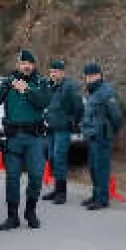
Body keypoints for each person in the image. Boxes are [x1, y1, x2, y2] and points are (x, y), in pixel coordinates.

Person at [0, 49, 52, 230]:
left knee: (36, 176)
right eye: (23, 63)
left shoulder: (41, 83)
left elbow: (44, 101)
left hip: (34, 138)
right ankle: (12, 216)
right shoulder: (8, 84)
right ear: (18, 65)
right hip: (13, 138)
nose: (26, 66)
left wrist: (26, 90)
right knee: (12, 178)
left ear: (34, 65)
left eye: (29, 63)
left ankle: (30, 212)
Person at [79, 63, 123, 211]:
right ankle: (95, 195)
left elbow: (116, 116)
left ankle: (102, 199)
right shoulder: (93, 92)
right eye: (87, 76)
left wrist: (110, 132)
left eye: (92, 76)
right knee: (93, 168)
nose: (89, 79)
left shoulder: (107, 92)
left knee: (101, 169)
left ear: (99, 75)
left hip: (102, 137)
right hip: (92, 136)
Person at [42, 59, 83, 205]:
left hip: (63, 128)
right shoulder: (50, 86)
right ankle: (56, 189)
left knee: (60, 158)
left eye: (56, 71)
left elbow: (79, 106)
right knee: (52, 158)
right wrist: (45, 118)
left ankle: (62, 193)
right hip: (51, 128)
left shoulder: (69, 86)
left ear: (62, 72)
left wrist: (74, 122)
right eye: (51, 72)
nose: (53, 74)